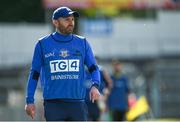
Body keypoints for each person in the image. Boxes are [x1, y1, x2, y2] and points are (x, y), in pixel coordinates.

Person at [24, 6, 101, 121]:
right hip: (53, 105)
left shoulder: (82, 43)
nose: (71, 22)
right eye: (66, 19)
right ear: (55, 22)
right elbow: (34, 74)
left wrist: (95, 85)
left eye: (72, 19)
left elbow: (94, 68)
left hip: (78, 104)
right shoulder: (42, 44)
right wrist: (29, 100)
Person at [85, 57, 113, 121]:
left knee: (98, 118)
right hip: (86, 101)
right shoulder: (84, 70)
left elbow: (109, 83)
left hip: (97, 101)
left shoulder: (101, 71)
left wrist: (105, 94)